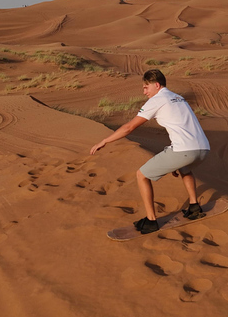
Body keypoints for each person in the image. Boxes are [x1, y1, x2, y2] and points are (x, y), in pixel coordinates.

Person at [90, 69, 210, 234]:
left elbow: (129, 127)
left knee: (142, 175)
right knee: (184, 168)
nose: (144, 91)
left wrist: (105, 140)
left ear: (156, 85)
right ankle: (194, 206)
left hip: (185, 150)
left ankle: (151, 220)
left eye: (146, 87)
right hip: (203, 148)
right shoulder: (179, 97)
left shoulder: (157, 100)